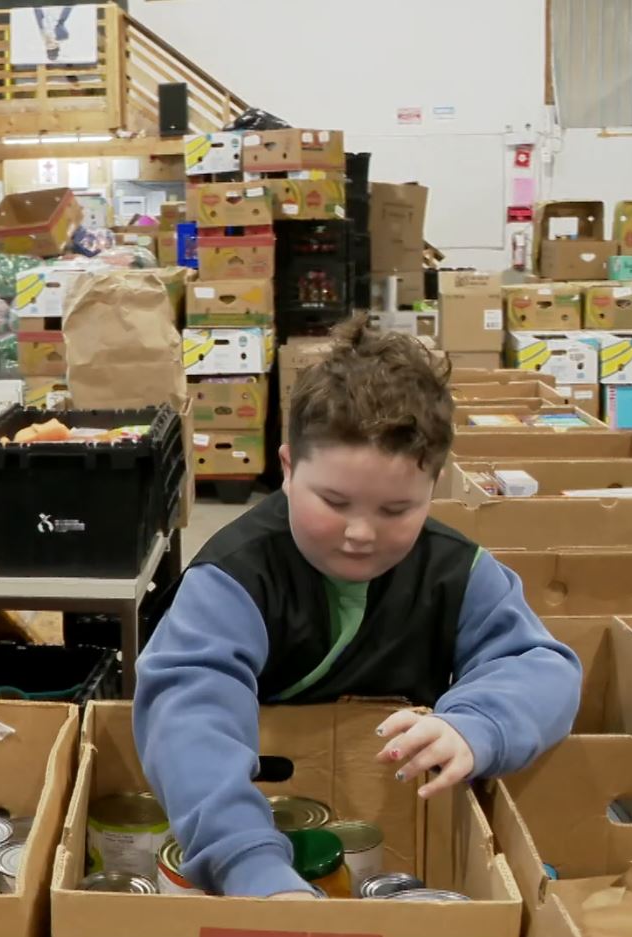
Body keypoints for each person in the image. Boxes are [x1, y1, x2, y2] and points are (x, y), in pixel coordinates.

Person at [132, 317, 581, 899]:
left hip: (397, 821)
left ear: (434, 487)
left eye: (397, 509)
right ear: (289, 469)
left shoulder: (458, 574)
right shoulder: (234, 577)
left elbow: (541, 667)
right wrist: (247, 860)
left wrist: (478, 724)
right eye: (335, 501)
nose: (362, 533)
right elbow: (190, 712)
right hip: (237, 831)